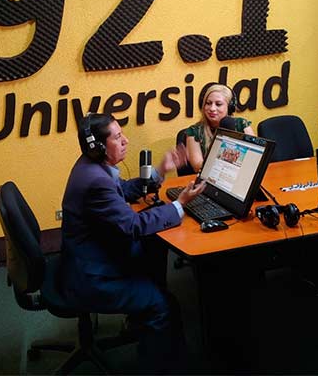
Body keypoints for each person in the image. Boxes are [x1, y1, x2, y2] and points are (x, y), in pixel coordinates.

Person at [60, 112, 205, 374]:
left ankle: (141, 319)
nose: (125, 140)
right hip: (93, 276)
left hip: (87, 256)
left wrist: (160, 171)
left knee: (154, 247)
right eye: (117, 137)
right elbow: (133, 226)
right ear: (98, 147)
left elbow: (124, 189)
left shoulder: (91, 166)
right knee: (164, 306)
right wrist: (179, 204)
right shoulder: (96, 180)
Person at [186, 84, 255, 173]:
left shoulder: (241, 124)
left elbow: (255, 158)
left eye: (218, 104)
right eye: (208, 103)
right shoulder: (194, 131)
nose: (212, 108)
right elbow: (197, 166)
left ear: (229, 107)